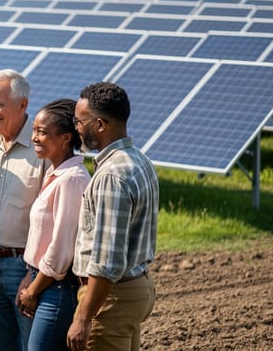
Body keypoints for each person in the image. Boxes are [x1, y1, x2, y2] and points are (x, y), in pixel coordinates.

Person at [66, 82, 159, 351]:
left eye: (79, 121)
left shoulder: (111, 175)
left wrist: (84, 318)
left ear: (100, 124)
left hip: (109, 298)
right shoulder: (138, 159)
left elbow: (107, 261)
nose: (76, 128)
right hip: (134, 287)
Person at [0, 69, 48, 351]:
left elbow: (53, 219)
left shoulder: (43, 149)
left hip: (26, 267)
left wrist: (34, 274)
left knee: (32, 344)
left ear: (23, 104)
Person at [16, 99, 91, 351]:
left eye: (42, 132)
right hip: (42, 281)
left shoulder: (72, 180)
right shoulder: (55, 173)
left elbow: (61, 249)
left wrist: (33, 291)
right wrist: (29, 277)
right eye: (34, 130)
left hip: (56, 288)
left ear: (66, 138)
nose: (34, 138)